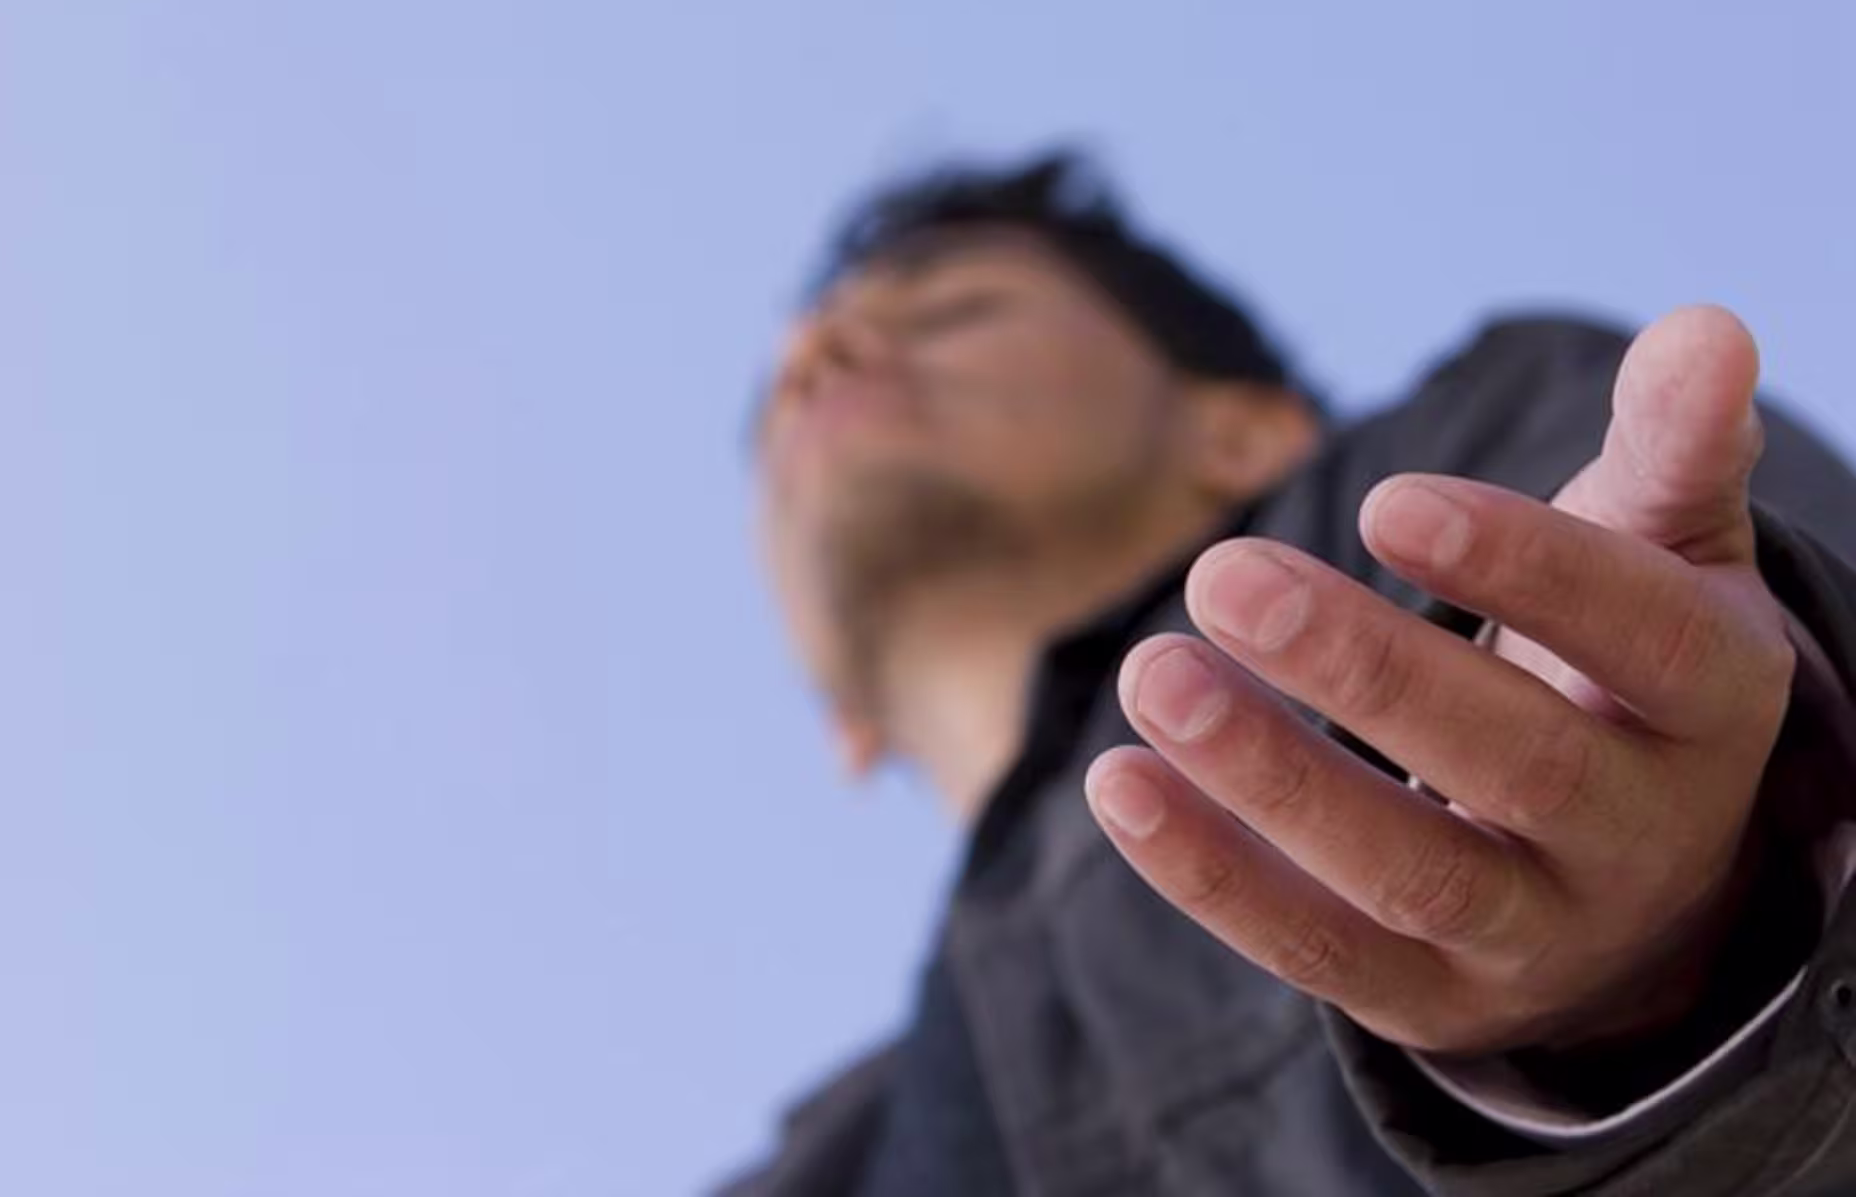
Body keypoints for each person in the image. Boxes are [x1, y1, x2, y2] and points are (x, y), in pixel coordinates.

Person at [720, 151, 1856, 1196]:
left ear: (1246, 432)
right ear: (844, 724)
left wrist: (1694, 951)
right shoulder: (812, 1170)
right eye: (784, 390)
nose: (815, 352)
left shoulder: (1467, 442)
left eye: (949, 311)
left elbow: (1738, 634)